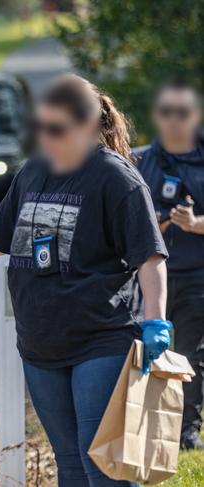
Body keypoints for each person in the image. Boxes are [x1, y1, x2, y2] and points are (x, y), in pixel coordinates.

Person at [0, 74, 170, 487]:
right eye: (39, 126)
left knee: (104, 465)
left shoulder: (115, 177)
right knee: (69, 464)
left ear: (85, 125)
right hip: (40, 342)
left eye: (55, 128)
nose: (44, 136)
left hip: (101, 339)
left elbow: (149, 257)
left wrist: (156, 322)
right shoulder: (33, 172)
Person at [135, 80, 204, 450]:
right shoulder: (138, 160)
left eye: (183, 112)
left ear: (196, 115)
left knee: (190, 353)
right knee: (140, 354)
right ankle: (139, 426)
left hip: (197, 276)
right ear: (156, 116)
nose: (174, 120)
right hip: (144, 278)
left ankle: (185, 432)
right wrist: (155, 224)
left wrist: (195, 224)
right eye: (167, 112)